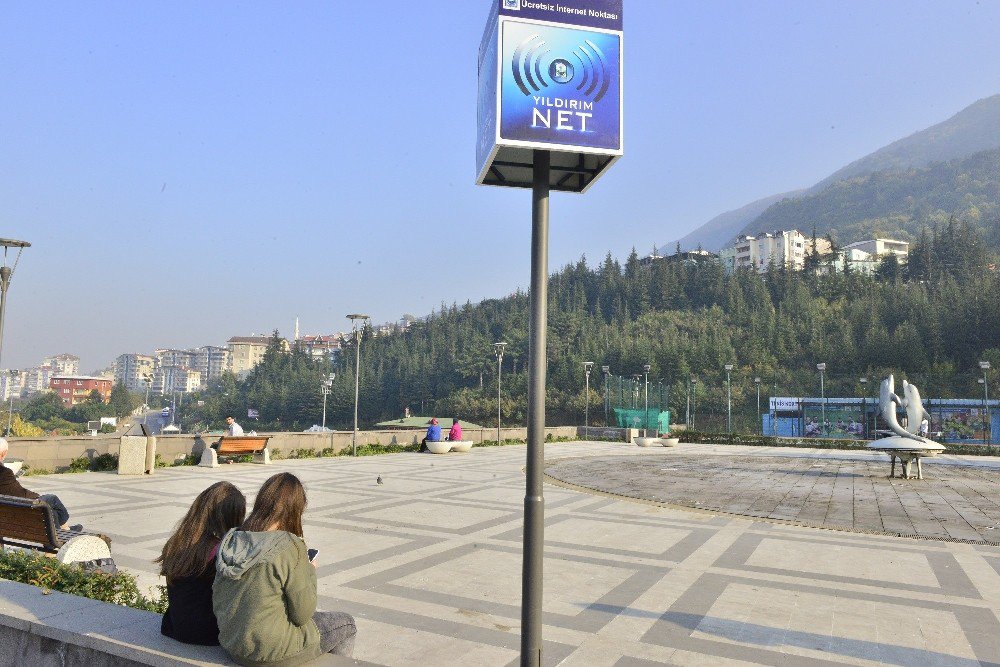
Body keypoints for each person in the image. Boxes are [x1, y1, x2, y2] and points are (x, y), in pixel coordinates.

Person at [213, 473, 356, 665]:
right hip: (271, 653)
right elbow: (302, 614)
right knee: (346, 624)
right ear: (295, 509)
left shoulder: (233, 538)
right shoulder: (289, 545)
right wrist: (309, 571)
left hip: (233, 646)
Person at [156, 482, 246, 646]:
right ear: (231, 518)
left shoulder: (178, 542)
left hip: (174, 627)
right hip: (208, 633)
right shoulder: (221, 550)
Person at [0, 437, 79, 531]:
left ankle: (62, 530)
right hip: (19, 511)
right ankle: (65, 528)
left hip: (5, 514)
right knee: (52, 499)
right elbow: (19, 493)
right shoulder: (4, 472)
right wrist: (36, 496)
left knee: (51, 511)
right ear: (4, 453)